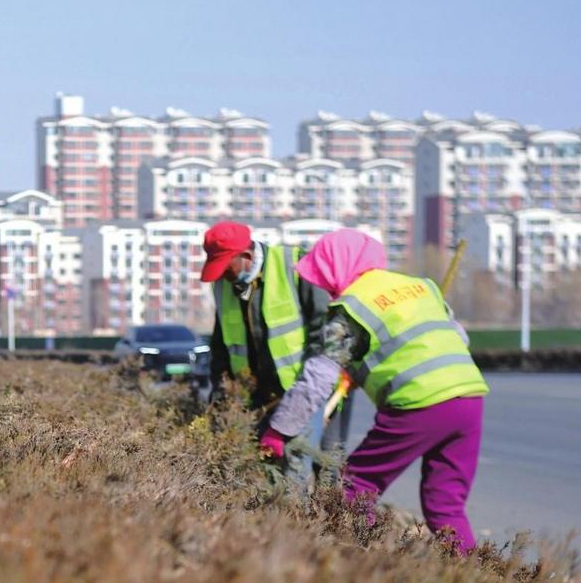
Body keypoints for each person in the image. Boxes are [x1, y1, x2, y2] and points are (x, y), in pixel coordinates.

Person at [259, 229, 489, 552]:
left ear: (337, 270)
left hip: (418, 403)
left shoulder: (350, 309)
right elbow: (457, 339)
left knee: (354, 488)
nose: (322, 286)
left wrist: (279, 430)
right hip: (469, 397)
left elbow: (318, 377)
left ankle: (364, 564)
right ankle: (478, 578)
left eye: (322, 277)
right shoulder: (420, 287)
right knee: (445, 504)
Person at [199, 220, 349, 469]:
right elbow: (221, 349)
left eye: (226, 268)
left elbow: (324, 334)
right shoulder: (224, 287)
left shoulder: (296, 267)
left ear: (246, 256)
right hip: (259, 398)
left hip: (307, 390)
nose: (223, 276)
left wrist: (304, 397)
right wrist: (223, 398)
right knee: (265, 474)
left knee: (314, 470)